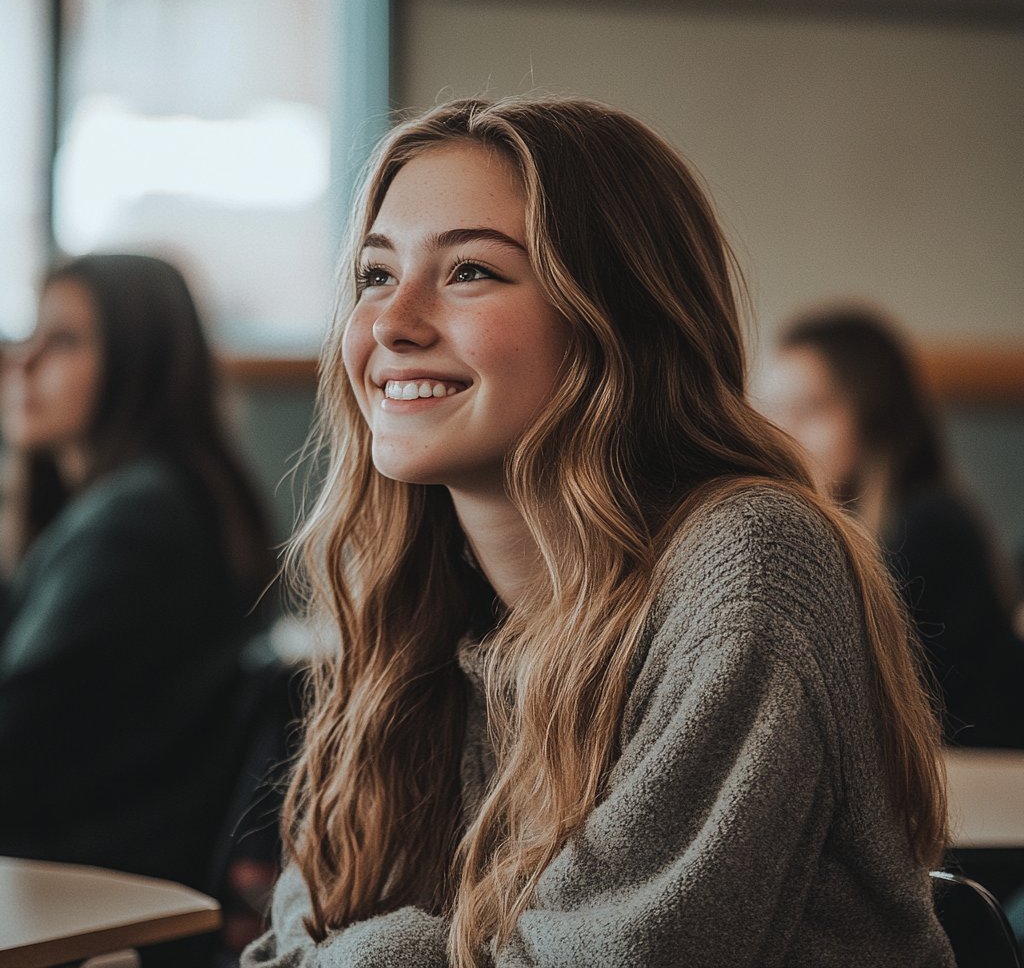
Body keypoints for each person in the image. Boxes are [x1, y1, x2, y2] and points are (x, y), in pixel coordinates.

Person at [243, 98, 954, 967]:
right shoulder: (415, 598)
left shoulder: (750, 564)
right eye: (375, 275)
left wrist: (379, 954)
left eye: (470, 271)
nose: (392, 323)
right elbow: (290, 946)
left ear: (617, 319)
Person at [0, 253, 275, 891]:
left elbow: (15, 748)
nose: (23, 361)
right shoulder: (164, 499)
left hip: (77, 882)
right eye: (28, 336)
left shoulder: (132, 522)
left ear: (139, 363)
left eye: (62, 341)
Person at [764, 308, 1024, 748]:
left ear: (874, 413)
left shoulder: (926, 527)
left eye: (809, 409)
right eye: (769, 410)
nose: (780, 431)